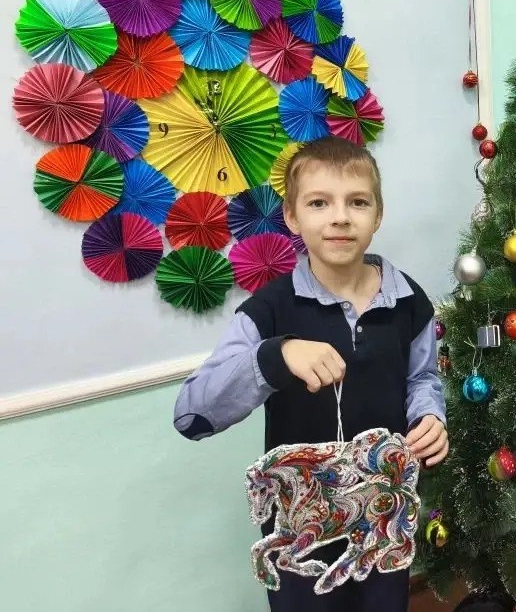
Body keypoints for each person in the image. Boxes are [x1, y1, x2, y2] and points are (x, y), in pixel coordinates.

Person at [173, 135, 448, 612]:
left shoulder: (409, 301)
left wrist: (430, 416)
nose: (340, 217)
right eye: (319, 203)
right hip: (300, 536)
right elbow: (191, 415)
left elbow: (422, 378)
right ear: (292, 216)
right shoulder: (268, 310)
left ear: (377, 215)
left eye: (357, 202)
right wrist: (275, 357)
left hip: (383, 524)